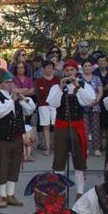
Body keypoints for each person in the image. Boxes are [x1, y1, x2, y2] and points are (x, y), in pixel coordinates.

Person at [0, 71, 36, 208]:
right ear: (0, 84)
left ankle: (11, 194)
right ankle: (2, 196)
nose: (10, 85)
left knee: (15, 166)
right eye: (7, 83)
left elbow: (30, 110)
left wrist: (22, 99)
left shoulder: (15, 97)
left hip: (17, 137)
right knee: (3, 166)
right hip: (2, 138)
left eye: (11, 82)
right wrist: (12, 100)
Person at [46, 60, 96, 193]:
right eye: (67, 70)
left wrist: (78, 86)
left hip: (77, 126)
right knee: (59, 160)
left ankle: (80, 193)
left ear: (76, 72)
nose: (69, 73)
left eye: (71, 70)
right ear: (64, 72)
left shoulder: (84, 85)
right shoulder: (56, 87)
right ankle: (59, 192)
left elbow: (88, 101)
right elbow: (53, 103)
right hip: (61, 126)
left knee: (79, 162)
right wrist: (61, 88)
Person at [34, 60, 59, 155]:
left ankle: (56, 145)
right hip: (43, 105)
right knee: (46, 126)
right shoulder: (39, 80)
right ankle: (47, 147)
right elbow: (39, 93)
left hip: (55, 105)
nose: (49, 69)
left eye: (51, 68)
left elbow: (58, 92)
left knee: (56, 126)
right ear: (44, 69)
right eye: (47, 67)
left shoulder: (57, 79)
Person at [82, 60, 104, 157]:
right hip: (83, 106)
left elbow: (100, 91)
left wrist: (96, 101)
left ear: (92, 67)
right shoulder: (79, 79)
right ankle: (85, 148)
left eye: (89, 65)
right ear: (82, 67)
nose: (87, 67)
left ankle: (96, 148)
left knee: (95, 128)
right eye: (85, 66)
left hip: (95, 105)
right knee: (84, 128)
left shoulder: (96, 78)